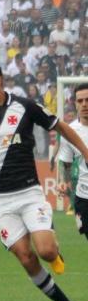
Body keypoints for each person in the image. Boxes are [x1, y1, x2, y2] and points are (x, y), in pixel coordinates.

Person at [0, 61, 88, 301]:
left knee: (46, 252)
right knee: (25, 255)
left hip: (29, 193)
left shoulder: (25, 106)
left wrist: (85, 151)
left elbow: (60, 127)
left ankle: (53, 246)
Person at [58, 84, 88, 238]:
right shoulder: (70, 131)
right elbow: (66, 162)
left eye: (87, 100)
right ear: (75, 103)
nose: (84, 104)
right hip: (83, 197)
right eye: (80, 101)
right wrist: (64, 180)